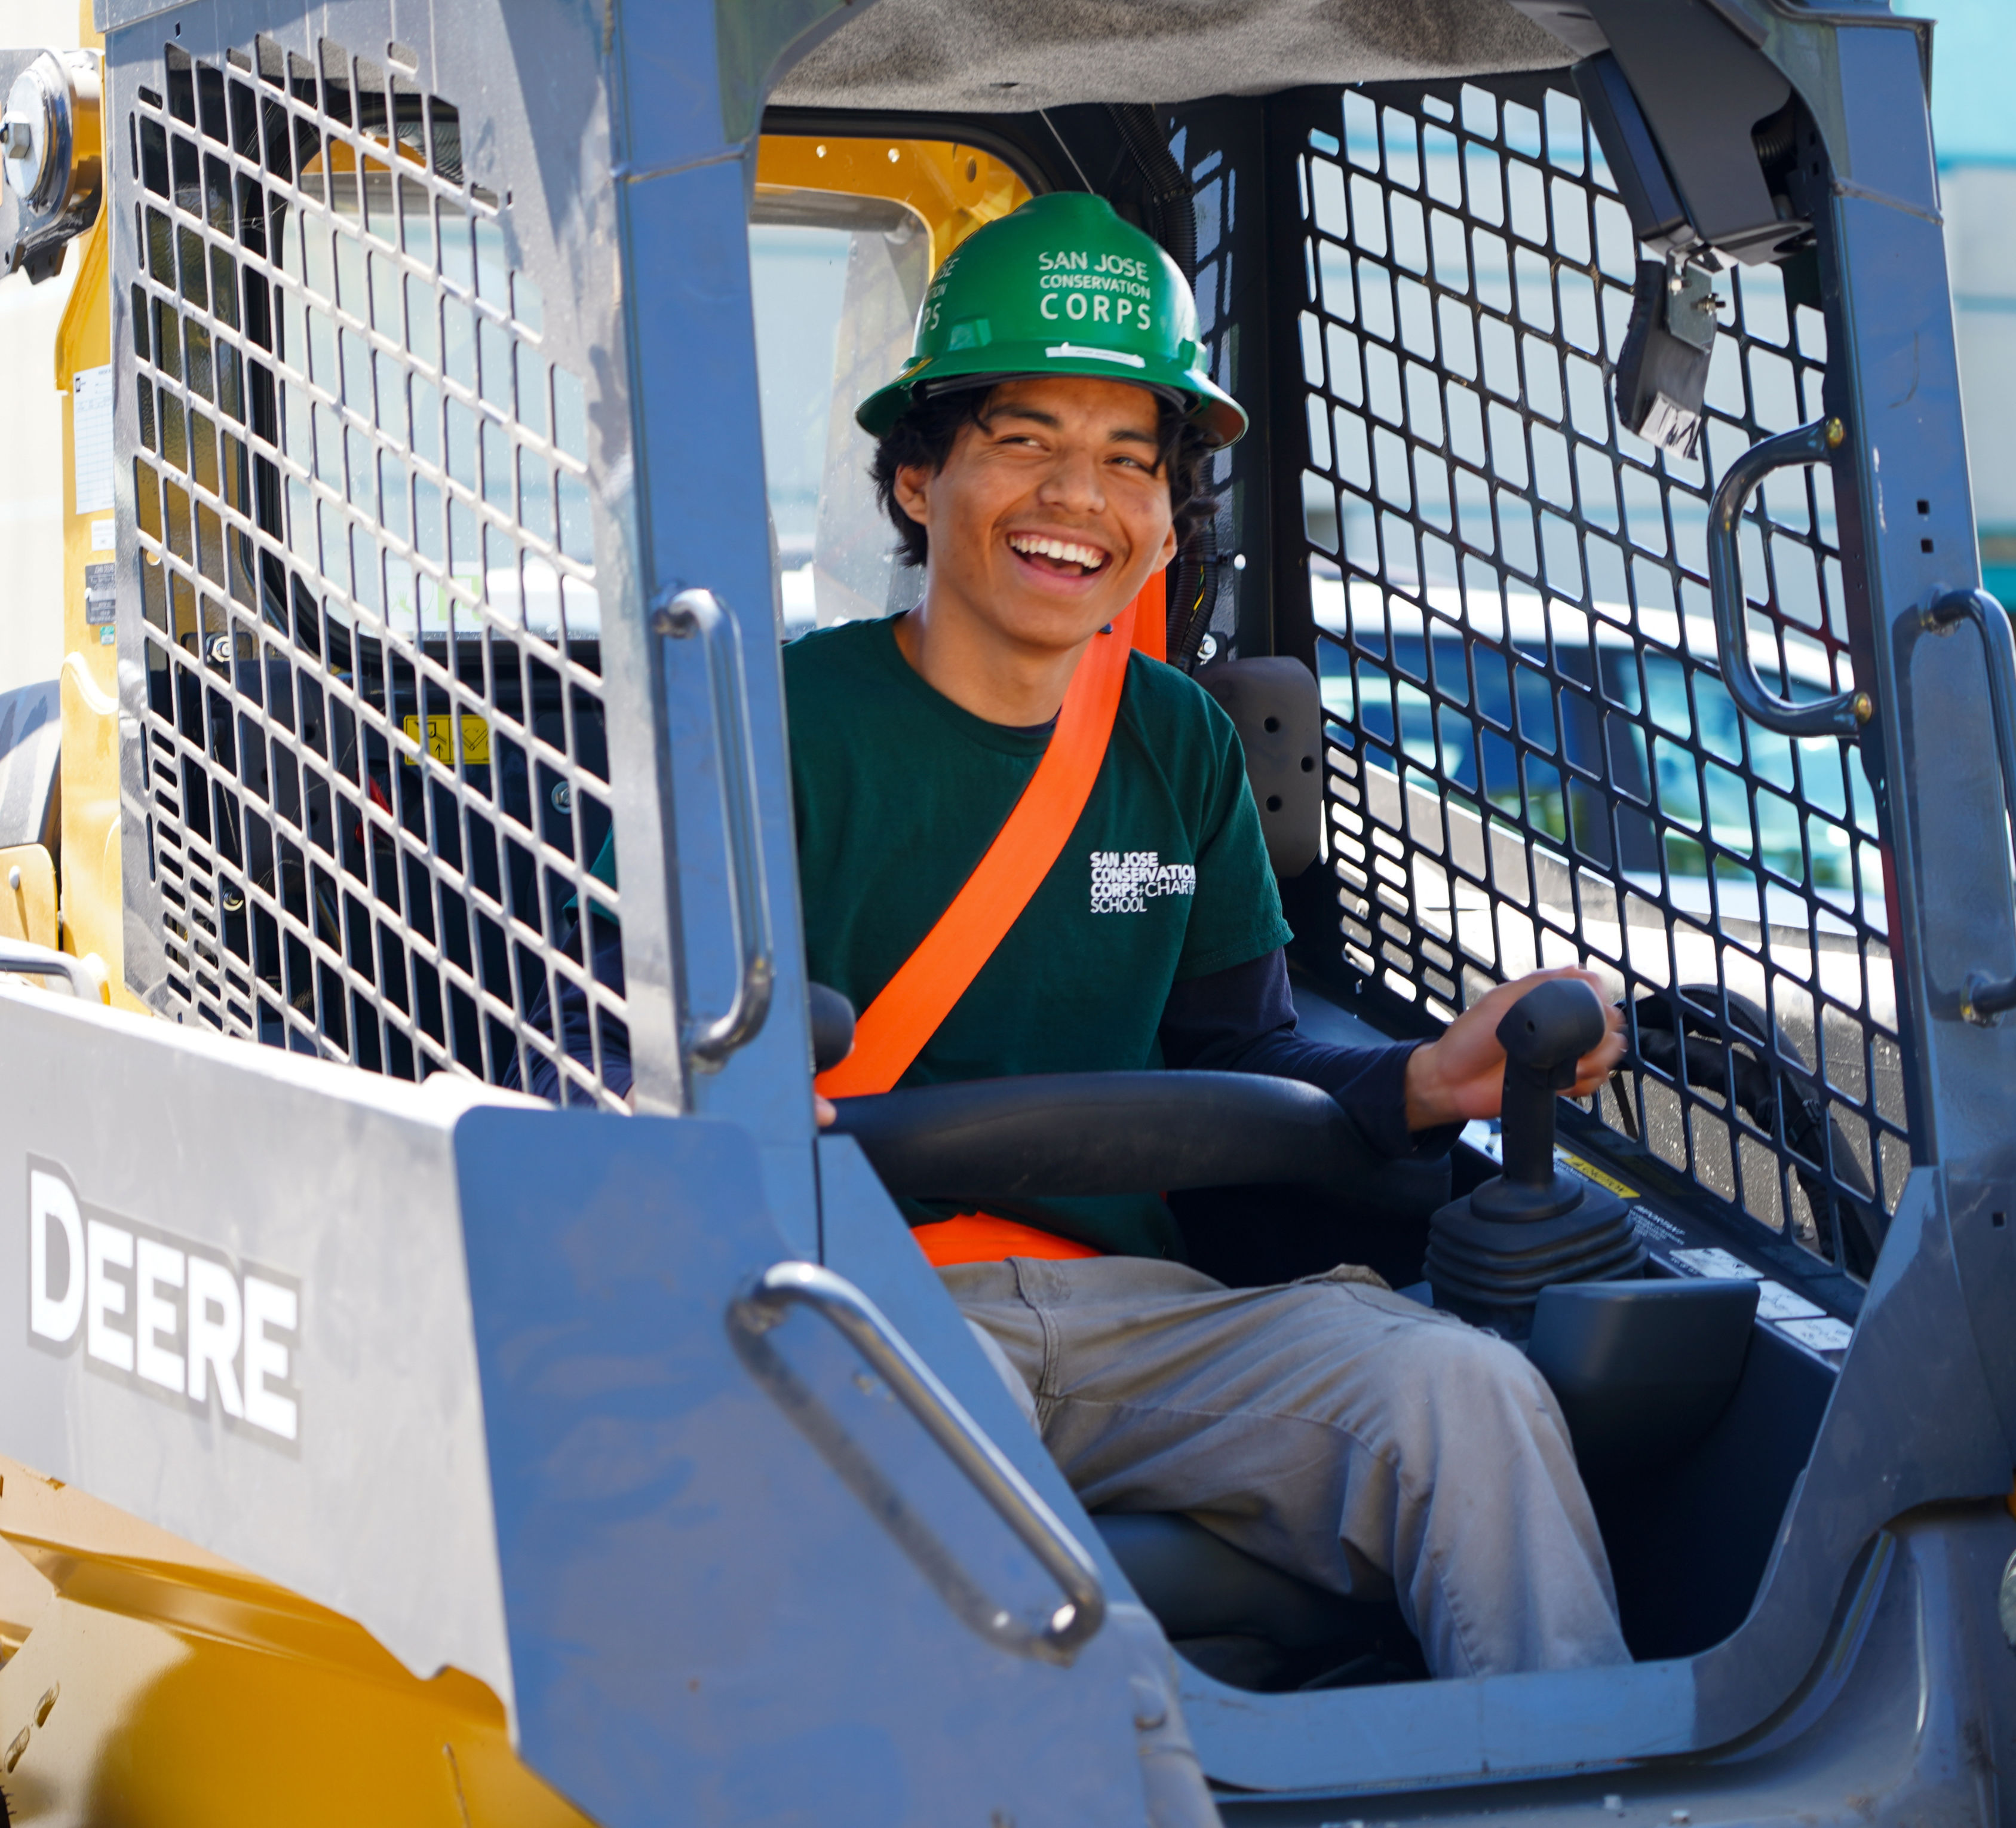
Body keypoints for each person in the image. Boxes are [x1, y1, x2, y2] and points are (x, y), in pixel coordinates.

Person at [532, 192, 1632, 1679]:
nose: (1080, 498)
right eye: (1026, 442)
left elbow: (1238, 1051)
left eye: (1129, 459)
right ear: (919, 478)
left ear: (1167, 516)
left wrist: (1426, 1084)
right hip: (864, 1301)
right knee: (894, 1467)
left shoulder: (1173, 740)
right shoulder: (769, 727)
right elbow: (596, 1046)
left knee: (1464, 1393)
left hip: (1141, 1311)